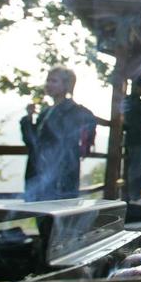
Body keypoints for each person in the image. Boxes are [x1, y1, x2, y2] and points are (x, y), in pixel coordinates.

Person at [20, 66, 96, 201]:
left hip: (60, 173)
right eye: (48, 80)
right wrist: (28, 118)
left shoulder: (74, 111)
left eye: (54, 81)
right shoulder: (45, 112)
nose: (48, 84)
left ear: (66, 85)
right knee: (41, 215)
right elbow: (32, 142)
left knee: (57, 215)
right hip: (40, 171)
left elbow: (61, 141)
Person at [122, 73, 141, 202]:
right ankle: (134, 195)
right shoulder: (133, 102)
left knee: (136, 167)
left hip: (135, 138)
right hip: (136, 138)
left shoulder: (132, 101)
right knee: (136, 167)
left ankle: (134, 194)